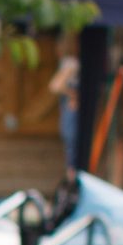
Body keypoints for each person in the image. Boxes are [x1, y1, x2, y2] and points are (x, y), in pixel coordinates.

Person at [48, 36, 83, 174]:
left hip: (70, 109)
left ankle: (72, 176)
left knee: (72, 145)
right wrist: (73, 93)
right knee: (72, 145)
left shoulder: (70, 62)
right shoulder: (71, 63)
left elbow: (55, 86)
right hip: (71, 108)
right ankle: (72, 177)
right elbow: (55, 86)